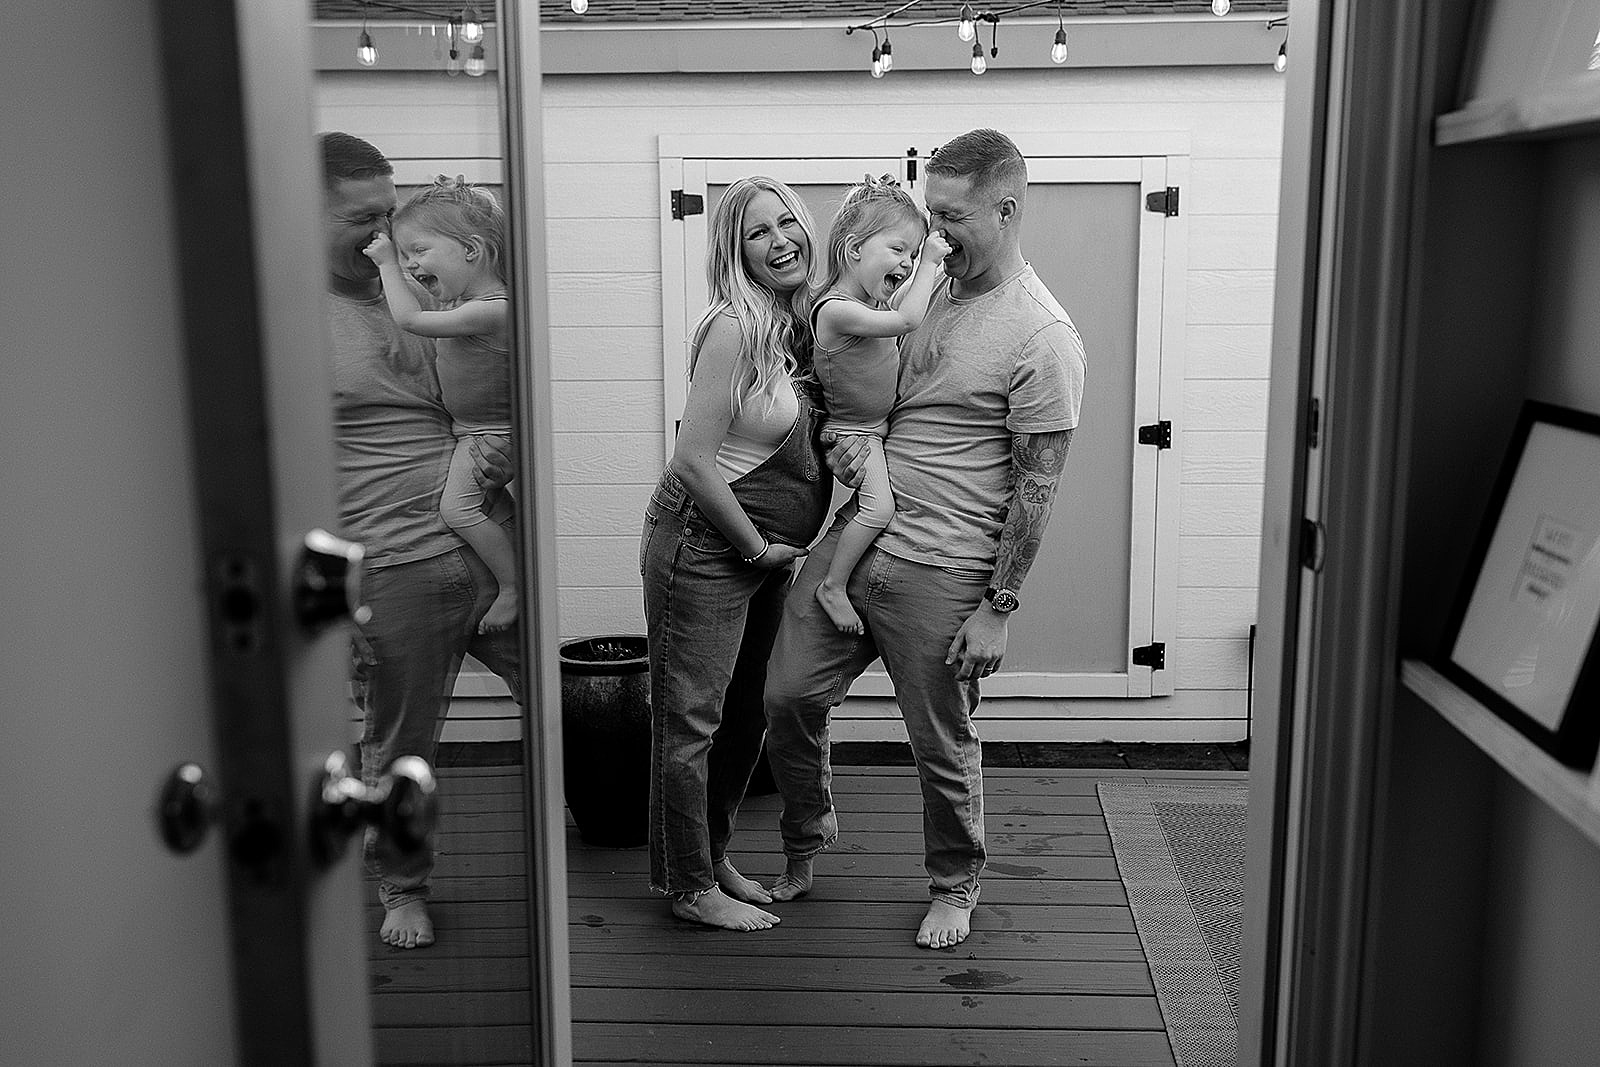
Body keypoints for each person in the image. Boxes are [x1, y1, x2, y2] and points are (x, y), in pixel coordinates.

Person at [763, 129, 1087, 950]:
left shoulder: (1043, 336)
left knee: (939, 740)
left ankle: (955, 882)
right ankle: (806, 834)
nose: (935, 239)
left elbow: (1039, 487)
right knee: (787, 695)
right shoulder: (928, 286)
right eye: (929, 218)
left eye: (952, 218)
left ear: (1006, 209)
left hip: (945, 570)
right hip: (858, 539)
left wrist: (999, 606)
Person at [321, 131, 522, 950]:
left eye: (390, 214)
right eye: (363, 220)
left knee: (563, 696)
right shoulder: (289, 314)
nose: (383, 236)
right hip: (390, 562)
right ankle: (402, 885)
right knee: (399, 742)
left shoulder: (431, 288)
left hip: (482, 537)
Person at [641, 176, 834, 931]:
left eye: (787, 222)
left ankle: (711, 852)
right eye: (758, 231)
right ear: (735, 250)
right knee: (689, 720)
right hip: (706, 542)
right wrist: (757, 548)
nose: (779, 239)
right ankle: (688, 885)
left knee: (748, 714)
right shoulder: (733, 327)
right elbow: (693, 460)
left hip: (764, 557)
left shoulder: (807, 326)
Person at [363, 176, 518, 634]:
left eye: (418, 251)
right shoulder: (466, 300)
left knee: (459, 511)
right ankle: (514, 563)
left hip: (488, 434)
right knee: (496, 511)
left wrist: (387, 263)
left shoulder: (495, 309)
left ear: (470, 250)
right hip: (470, 431)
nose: (411, 265)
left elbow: (411, 318)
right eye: (405, 254)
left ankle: (511, 586)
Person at [807, 176, 950, 635]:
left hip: (874, 431)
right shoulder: (835, 310)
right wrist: (930, 260)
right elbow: (909, 318)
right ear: (853, 251)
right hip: (854, 435)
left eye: (912, 254)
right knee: (877, 510)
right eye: (898, 250)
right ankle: (833, 585)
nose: (908, 263)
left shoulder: (870, 302)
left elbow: (906, 304)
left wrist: (928, 267)